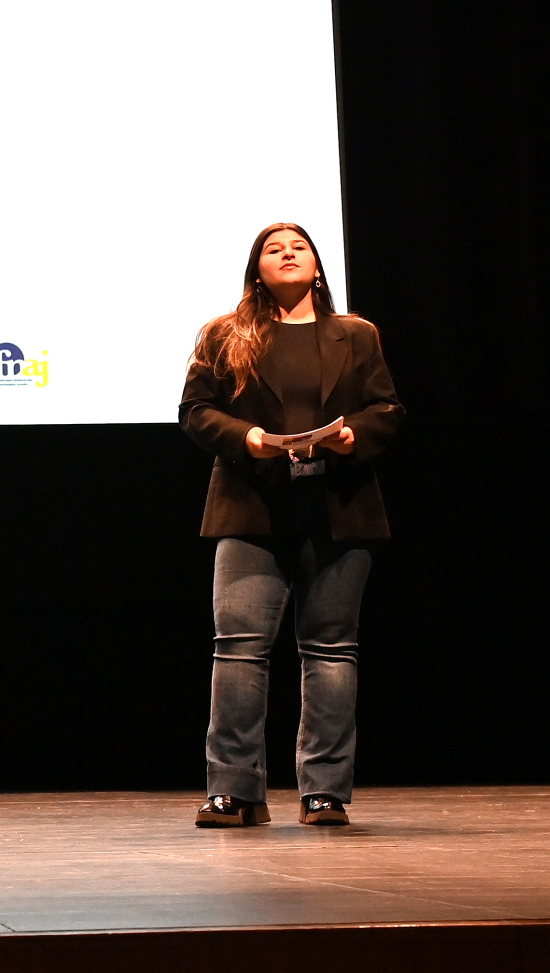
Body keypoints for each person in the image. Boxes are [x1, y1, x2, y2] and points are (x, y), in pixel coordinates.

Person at [179, 221, 402, 829]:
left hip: (339, 504)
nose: (286, 254)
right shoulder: (226, 335)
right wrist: (246, 437)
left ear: (317, 265)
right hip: (253, 505)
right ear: (257, 268)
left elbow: (387, 408)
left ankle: (324, 791)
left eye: (298, 246)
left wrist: (353, 435)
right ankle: (235, 791)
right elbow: (195, 410)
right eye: (273, 249)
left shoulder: (356, 335)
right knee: (239, 649)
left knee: (330, 650)